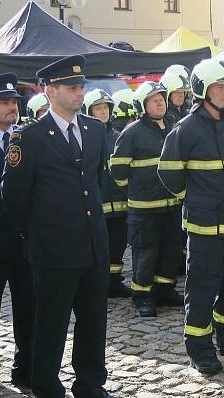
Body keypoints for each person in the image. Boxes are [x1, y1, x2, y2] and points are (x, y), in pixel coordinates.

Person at [2, 55, 116, 398]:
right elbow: (13, 194)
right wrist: (33, 231)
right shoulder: (30, 136)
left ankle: (90, 381)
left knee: (93, 319)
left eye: (82, 86)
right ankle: (46, 382)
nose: (80, 93)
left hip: (93, 243)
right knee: (50, 320)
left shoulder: (95, 130)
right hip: (53, 245)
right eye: (72, 87)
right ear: (50, 91)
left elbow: (96, 181)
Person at [158, 60, 224, 375]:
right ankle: (200, 349)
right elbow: (169, 174)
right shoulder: (185, 130)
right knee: (202, 289)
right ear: (202, 90)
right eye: (219, 87)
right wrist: (194, 200)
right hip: (204, 229)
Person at [109, 82, 183, 317]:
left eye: (162, 97)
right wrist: (135, 191)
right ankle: (142, 296)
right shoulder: (131, 133)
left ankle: (164, 290)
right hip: (145, 209)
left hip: (173, 206)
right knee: (145, 253)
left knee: (171, 250)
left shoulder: (175, 126)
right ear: (143, 105)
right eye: (154, 99)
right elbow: (118, 171)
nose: (160, 102)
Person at [0, 73, 33, 390]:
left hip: (23, 243)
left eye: (15, 102)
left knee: (28, 309)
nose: (12, 108)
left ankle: (27, 368)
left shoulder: (25, 139)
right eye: (5, 102)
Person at [84, 89, 131, 299]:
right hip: (98, 206)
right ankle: (98, 283)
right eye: (98, 108)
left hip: (119, 205)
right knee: (98, 248)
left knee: (118, 245)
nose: (103, 112)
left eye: (105, 107)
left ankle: (114, 282)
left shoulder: (118, 137)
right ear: (89, 111)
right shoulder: (84, 138)